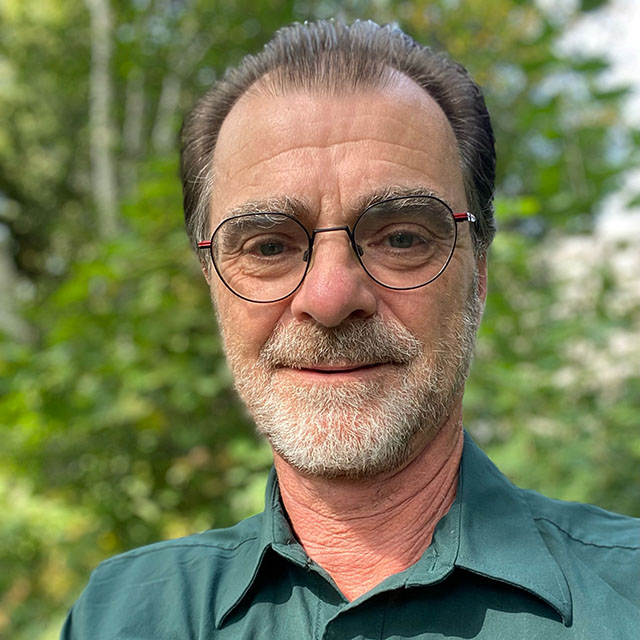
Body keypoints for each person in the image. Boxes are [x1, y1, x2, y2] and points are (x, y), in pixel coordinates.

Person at [61, 19, 639, 639]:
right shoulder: (124, 617)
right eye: (268, 245)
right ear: (212, 283)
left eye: (400, 238)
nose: (331, 298)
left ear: (478, 274)